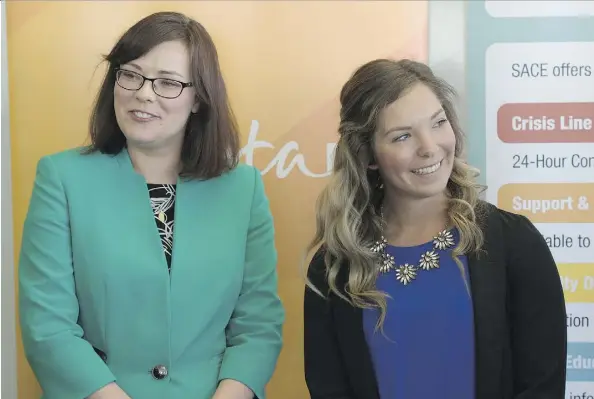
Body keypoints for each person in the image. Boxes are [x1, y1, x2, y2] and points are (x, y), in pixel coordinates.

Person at [18, 11, 284, 399]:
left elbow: (258, 326)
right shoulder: (63, 178)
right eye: (131, 74)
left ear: (199, 99)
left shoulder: (242, 189)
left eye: (168, 83)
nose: (143, 93)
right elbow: (48, 327)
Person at [303, 59, 567, 399]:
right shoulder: (333, 269)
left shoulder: (514, 243)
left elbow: (542, 386)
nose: (429, 147)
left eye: (438, 123)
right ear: (368, 155)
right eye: (402, 136)